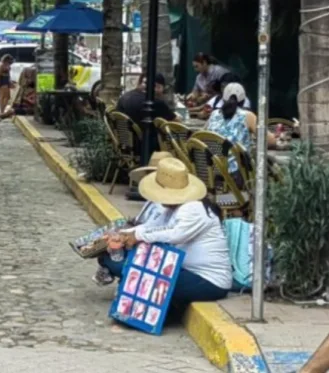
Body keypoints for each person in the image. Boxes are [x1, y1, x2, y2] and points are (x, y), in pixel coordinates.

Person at [94, 159, 233, 315]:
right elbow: (151, 226)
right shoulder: (173, 207)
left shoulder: (193, 208)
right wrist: (123, 235)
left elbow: (176, 234)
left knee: (143, 278)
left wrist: (138, 235)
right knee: (113, 258)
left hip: (207, 281)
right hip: (183, 270)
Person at [204, 82, 275, 177]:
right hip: (237, 174)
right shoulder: (247, 116)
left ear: (223, 99)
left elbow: (201, 136)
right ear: (244, 100)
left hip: (212, 171)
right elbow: (270, 141)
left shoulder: (214, 115)